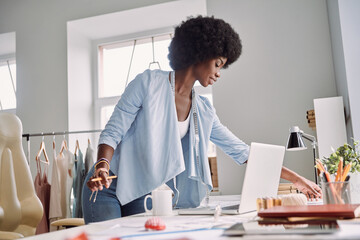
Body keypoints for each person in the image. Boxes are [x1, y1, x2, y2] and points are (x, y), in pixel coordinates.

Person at [82, 16, 322, 224]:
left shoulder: (204, 111)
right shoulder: (147, 83)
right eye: (217, 64)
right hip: (106, 186)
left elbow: (242, 152)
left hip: (140, 190)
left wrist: (299, 180)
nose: (218, 73)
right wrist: (102, 165)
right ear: (200, 54)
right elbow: (113, 131)